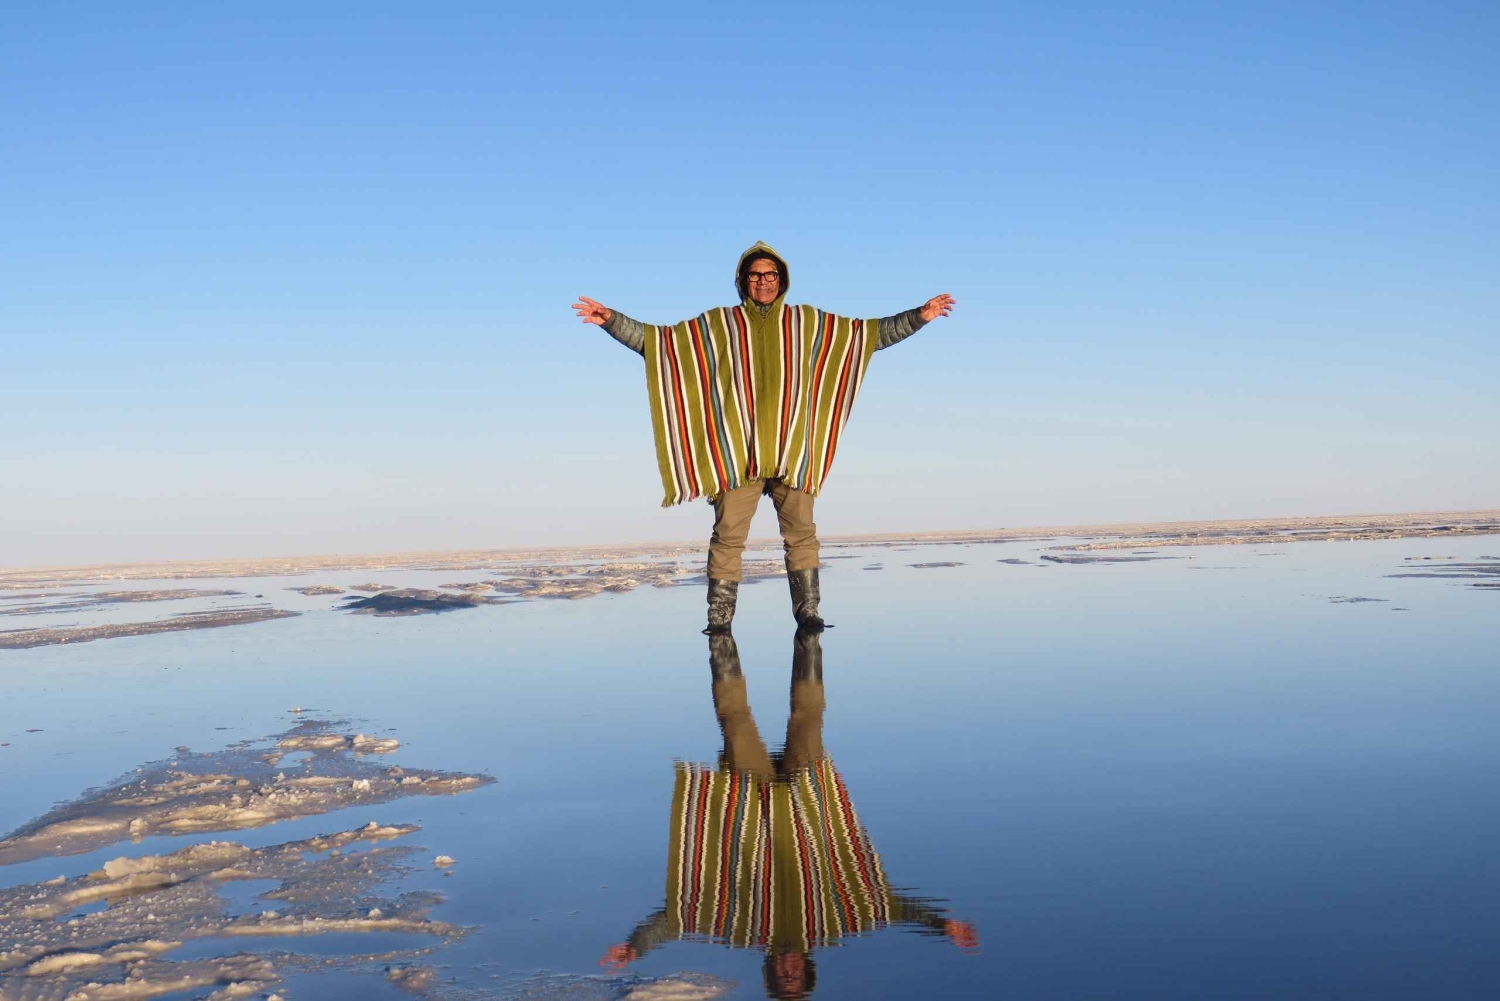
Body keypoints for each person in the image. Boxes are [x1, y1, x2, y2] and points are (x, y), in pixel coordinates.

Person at [574, 242, 954, 633]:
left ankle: (808, 612)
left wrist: (919, 317)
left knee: (802, 535)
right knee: (727, 537)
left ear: (782, 279)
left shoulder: (808, 323)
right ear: (743, 280)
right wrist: (611, 321)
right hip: (737, 455)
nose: (763, 282)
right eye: (755, 275)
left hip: (793, 451)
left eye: (770, 274)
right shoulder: (717, 324)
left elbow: (869, 335)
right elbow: (660, 342)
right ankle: (719, 620)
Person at [599, 631, 977, 998]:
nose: (787, 971)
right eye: (795, 979)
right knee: (808, 716)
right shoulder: (832, 922)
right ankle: (809, 635)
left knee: (734, 720)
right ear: (808, 970)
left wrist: (635, 946)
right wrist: (941, 924)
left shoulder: (741, 929)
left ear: (770, 973)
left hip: (749, 796)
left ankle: (721, 639)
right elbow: (892, 906)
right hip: (806, 792)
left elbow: (679, 917)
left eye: (781, 980)